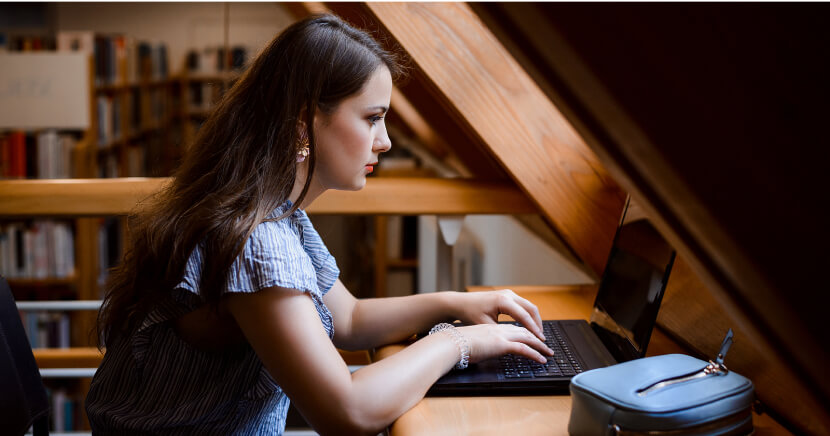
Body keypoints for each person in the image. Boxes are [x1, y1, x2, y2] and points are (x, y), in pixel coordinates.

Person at [85, 14, 553, 435]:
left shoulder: (274, 213)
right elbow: (346, 412)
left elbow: (348, 319)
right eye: (372, 118)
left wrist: (459, 303)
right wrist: (462, 341)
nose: (385, 141)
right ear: (303, 123)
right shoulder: (257, 239)